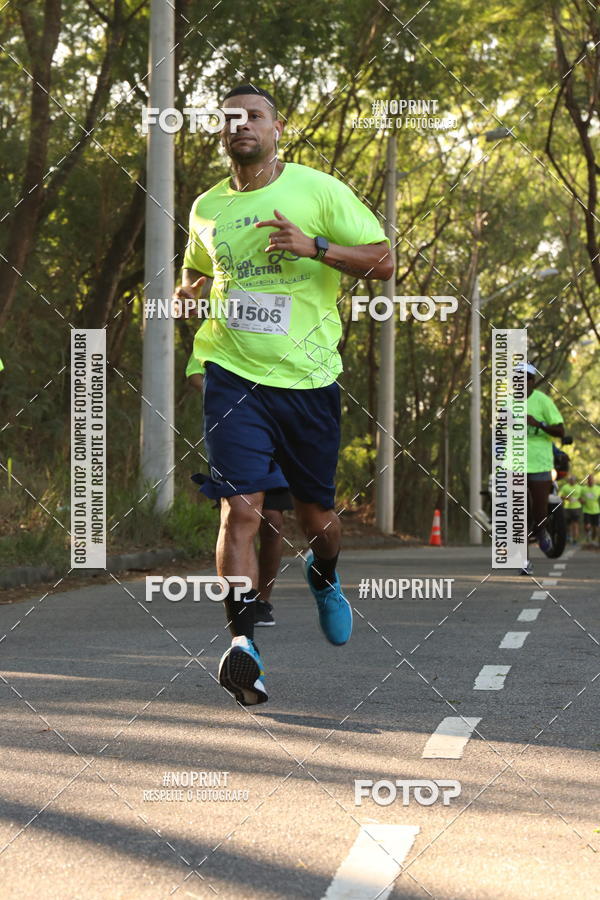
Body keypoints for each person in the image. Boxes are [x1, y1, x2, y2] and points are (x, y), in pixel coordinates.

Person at [174, 84, 393, 705]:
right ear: (221, 131)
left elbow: (383, 261)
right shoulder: (207, 206)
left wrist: (314, 247)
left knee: (315, 518)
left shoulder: (317, 190)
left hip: (308, 380)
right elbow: (198, 267)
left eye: (255, 116)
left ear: (277, 129)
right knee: (241, 511)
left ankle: (324, 575)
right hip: (232, 374)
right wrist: (188, 290)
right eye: (231, 117)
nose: (241, 124)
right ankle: (243, 644)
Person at [186, 352, 291, 626]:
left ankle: (262, 601)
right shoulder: (220, 332)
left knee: (273, 521)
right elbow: (195, 374)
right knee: (241, 514)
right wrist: (232, 397)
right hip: (239, 429)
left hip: (280, 432)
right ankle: (243, 604)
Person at [521, 363, 565, 574]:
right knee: (518, 514)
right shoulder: (507, 403)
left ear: (532, 381)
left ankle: (541, 531)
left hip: (540, 464)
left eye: (525, 379)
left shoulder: (543, 402)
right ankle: (524, 562)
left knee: (540, 512)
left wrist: (539, 424)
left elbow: (560, 431)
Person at [559, 475, 582, 544]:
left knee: (575, 524)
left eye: (573, 480)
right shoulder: (565, 487)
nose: (572, 481)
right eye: (571, 479)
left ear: (575, 480)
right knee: (567, 524)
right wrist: (566, 498)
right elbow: (560, 495)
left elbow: (582, 496)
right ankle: (568, 536)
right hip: (567, 508)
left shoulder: (579, 487)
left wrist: (580, 499)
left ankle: (575, 539)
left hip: (577, 508)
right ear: (569, 480)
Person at [581, 474, 600, 544]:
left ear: (594, 480)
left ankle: (593, 540)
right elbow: (580, 497)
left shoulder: (598, 488)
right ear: (587, 481)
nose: (591, 481)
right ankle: (588, 536)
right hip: (586, 510)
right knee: (587, 526)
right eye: (589, 480)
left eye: (592, 480)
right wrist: (581, 500)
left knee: (595, 528)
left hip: (596, 510)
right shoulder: (583, 489)